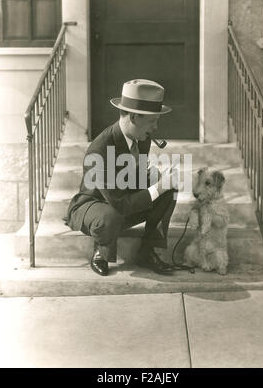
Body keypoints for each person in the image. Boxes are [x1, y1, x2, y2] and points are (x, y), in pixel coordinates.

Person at [65, 79, 178, 276]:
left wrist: (152, 178)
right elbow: (121, 205)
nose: (156, 127)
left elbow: (132, 184)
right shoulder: (99, 150)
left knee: (169, 192)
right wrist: (157, 188)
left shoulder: (141, 138)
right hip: (94, 206)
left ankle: (148, 250)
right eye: (152, 121)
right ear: (134, 117)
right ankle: (102, 250)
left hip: (120, 201)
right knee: (112, 214)